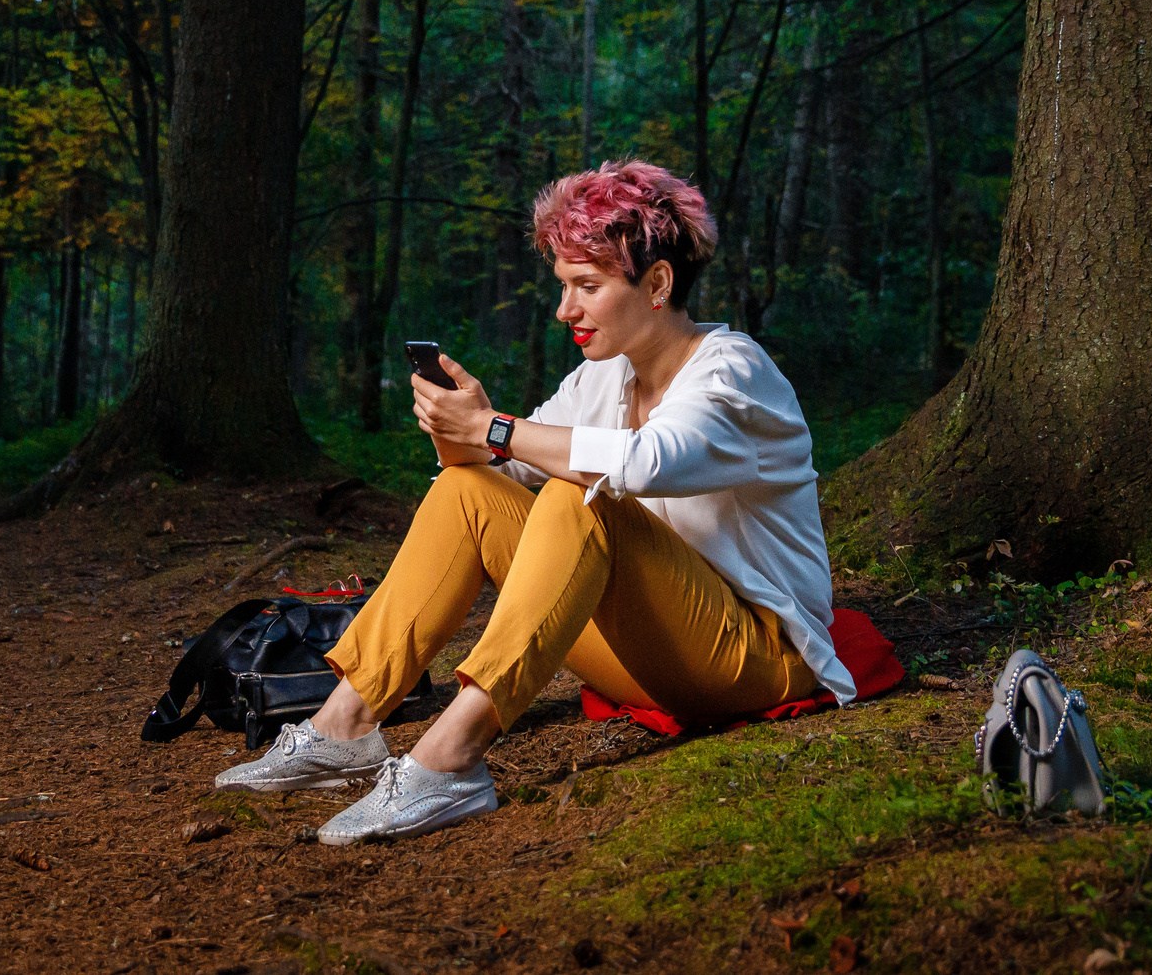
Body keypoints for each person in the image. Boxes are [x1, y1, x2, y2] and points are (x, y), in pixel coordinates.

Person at [215, 160, 852, 844]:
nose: (564, 310)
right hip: (653, 656)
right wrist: (458, 431)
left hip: (755, 659)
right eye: (562, 286)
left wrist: (495, 429)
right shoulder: (601, 378)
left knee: (582, 496)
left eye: (588, 286)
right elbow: (501, 472)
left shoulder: (733, 370)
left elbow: (647, 463)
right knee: (469, 489)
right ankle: (343, 726)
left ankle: (450, 759)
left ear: (658, 283)